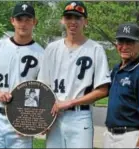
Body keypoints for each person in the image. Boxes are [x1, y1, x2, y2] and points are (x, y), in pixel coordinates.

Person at [38, 1, 111, 148]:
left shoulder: (95, 49)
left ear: (85, 22)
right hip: (54, 116)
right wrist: (44, 117)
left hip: (80, 116)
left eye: (77, 18)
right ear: (63, 20)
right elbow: (43, 86)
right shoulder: (52, 48)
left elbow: (103, 90)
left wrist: (71, 102)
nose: (73, 21)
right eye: (69, 17)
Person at [0, 3, 44, 148]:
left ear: (34, 22)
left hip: (21, 121)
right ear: (12, 20)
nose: (23, 24)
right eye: (20, 19)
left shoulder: (41, 54)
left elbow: (43, 91)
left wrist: (29, 122)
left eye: (28, 19)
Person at [104, 23, 139, 148]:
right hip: (110, 136)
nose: (124, 47)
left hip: (131, 137)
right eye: (121, 42)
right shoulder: (116, 69)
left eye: (130, 43)